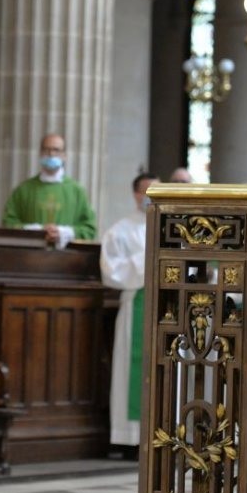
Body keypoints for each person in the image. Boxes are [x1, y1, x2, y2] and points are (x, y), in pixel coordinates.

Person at [100, 171, 159, 452]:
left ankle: (160, 433)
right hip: (135, 304)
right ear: (136, 194)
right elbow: (111, 273)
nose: (151, 197)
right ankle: (130, 438)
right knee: (132, 370)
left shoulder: (170, 228)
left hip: (164, 309)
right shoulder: (120, 231)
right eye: (147, 191)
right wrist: (148, 261)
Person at [2, 132, 97, 248]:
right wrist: (36, 231)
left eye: (56, 150)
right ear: (40, 153)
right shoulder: (23, 190)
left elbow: (90, 229)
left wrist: (63, 233)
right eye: (46, 150)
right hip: (30, 259)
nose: (51, 154)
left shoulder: (77, 191)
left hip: (67, 260)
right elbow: (8, 224)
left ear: (64, 155)